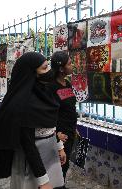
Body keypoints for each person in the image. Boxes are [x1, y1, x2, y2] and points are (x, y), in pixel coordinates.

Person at [0, 52, 66, 189]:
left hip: (50, 154)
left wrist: (59, 147)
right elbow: (28, 146)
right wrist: (43, 181)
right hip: (32, 163)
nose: (49, 71)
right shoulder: (23, 104)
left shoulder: (45, 92)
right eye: (44, 68)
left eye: (48, 66)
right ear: (31, 73)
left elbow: (51, 125)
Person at [49, 51, 78, 183]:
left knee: (64, 168)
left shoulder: (67, 83)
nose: (73, 66)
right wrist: (56, 135)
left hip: (70, 133)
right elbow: (48, 114)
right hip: (60, 136)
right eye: (70, 64)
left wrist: (74, 127)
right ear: (61, 68)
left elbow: (70, 109)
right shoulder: (51, 87)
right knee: (56, 169)